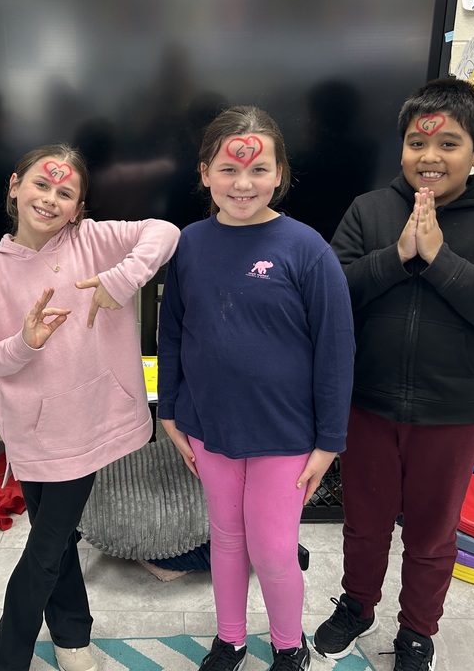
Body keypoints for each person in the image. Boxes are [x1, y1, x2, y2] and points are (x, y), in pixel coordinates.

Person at [314, 78, 474, 671]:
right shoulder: (370, 209)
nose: (430, 157)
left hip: (452, 412)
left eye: (449, 144)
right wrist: (398, 256)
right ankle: (358, 605)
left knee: (432, 536)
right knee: (363, 525)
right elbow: (332, 294)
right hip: (368, 404)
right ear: (403, 148)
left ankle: (417, 631)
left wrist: (440, 258)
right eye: (417, 143)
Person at [0, 143, 179, 671]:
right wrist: (21, 344)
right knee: (56, 543)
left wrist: (120, 281)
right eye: (41, 184)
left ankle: (10, 648)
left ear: (78, 206)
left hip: (92, 424)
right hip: (35, 435)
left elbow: (165, 233)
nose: (50, 198)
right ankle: (73, 640)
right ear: (14, 185)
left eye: (65, 192)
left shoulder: (94, 240)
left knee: (50, 541)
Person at [157, 105, 356, 671]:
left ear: (279, 174)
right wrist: (169, 412)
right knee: (225, 540)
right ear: (204, 173)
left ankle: (290, 647)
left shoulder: (307, 249)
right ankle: (231, 638)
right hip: (211, 426)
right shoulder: (190, 244)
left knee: (271, 550)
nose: (243, 184)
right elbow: (171, 332)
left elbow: (337, 349)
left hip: (286, 433)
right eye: (228, 170)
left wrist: (330, 439)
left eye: (258, 170)